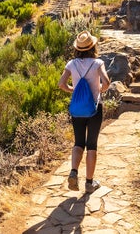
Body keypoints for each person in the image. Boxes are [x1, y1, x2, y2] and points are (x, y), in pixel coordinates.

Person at [58, 30, 110, 193]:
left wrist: (74, 90)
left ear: (77, 49)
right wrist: (99, 89)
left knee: (78, 142)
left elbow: (61, 84)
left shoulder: (71, 64)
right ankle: (89, 182)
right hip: (94, 108)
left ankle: (74, 172)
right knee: (92, 144)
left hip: (77, 109)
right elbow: (107, 82)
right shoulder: (97, 63)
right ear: (92, 46)